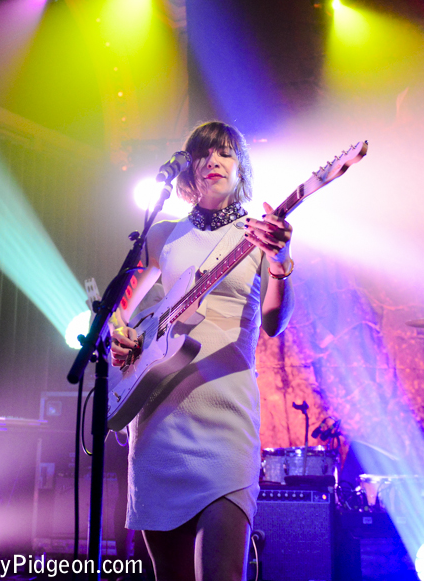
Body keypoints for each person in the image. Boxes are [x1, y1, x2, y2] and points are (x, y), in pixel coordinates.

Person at [109, 121, 295, 581]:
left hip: (226, 421)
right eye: (204, 154)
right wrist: (119, 333)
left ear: (241, 169)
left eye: (226, 154)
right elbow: (120, 309)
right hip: (158, 426)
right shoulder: (162, 236)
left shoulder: (261, 235)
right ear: (189, 170)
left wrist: (280, 262)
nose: (214, 161)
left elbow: (274, 323)